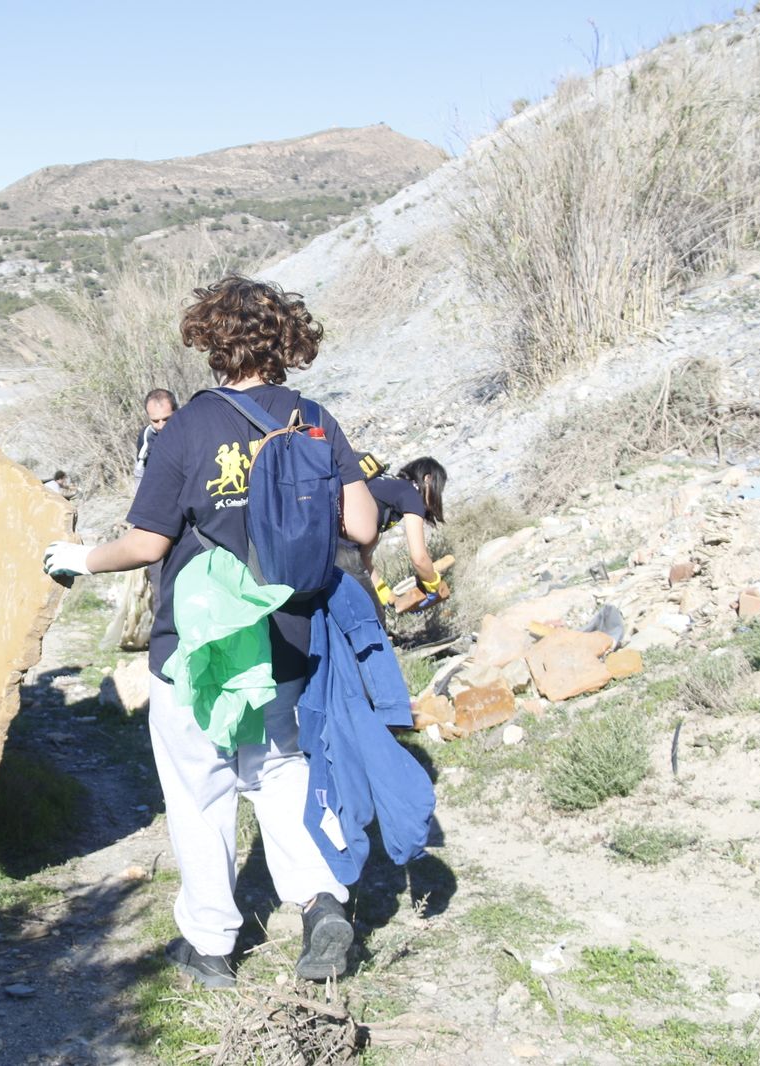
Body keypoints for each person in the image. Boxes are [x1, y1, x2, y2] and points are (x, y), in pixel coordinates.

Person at [43, 274, 378, 988]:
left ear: (212, 341)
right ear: (283, 340)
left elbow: (146, 544)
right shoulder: (315, 418)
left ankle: (211, 945)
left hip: (197, 652)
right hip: (289, 641)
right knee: (284, 775)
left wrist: (80, 559)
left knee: (200, 792)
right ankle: (321, 904)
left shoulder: (187, 429)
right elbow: (364, 524)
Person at [361, 458, 448, 609]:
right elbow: (419, 558)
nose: (436, 494)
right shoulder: (410, 493)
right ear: (428, 479)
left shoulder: (387, 484)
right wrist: (433, 586)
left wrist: (385, 596)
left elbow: (361, 555)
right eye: (437, 488)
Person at [133, 388, 178, 480]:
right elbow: (141, 474)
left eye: (166, 419)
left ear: (176, 412)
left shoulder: (191, 433)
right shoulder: (145, 437)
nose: (161, 426)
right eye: (155, 421)